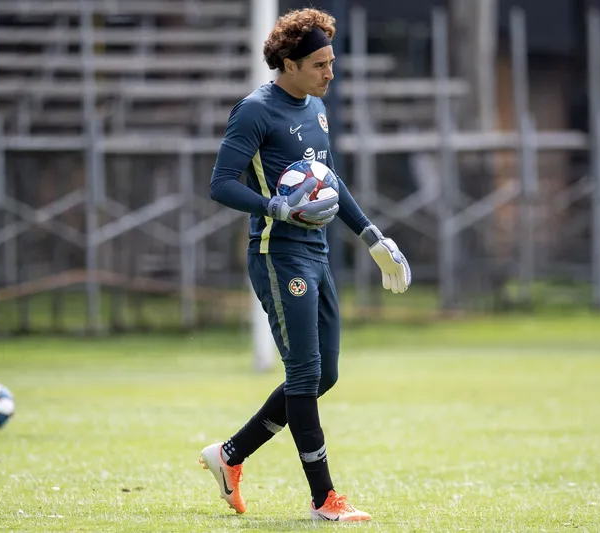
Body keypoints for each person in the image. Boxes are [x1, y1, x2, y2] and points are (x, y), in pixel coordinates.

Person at [199, 7, 411, 522]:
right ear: (289, 64)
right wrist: (275, 207)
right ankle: (324, 499)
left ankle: (229, 455)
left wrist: (371, 235)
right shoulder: (254, 111)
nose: (330, 73)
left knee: (324, 375)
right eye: (320, 64)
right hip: (278, 254)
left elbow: (330, 179)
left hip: (317, 253)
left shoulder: (316, 107)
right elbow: (221, 184)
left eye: (331, 62)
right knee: (304, 372)